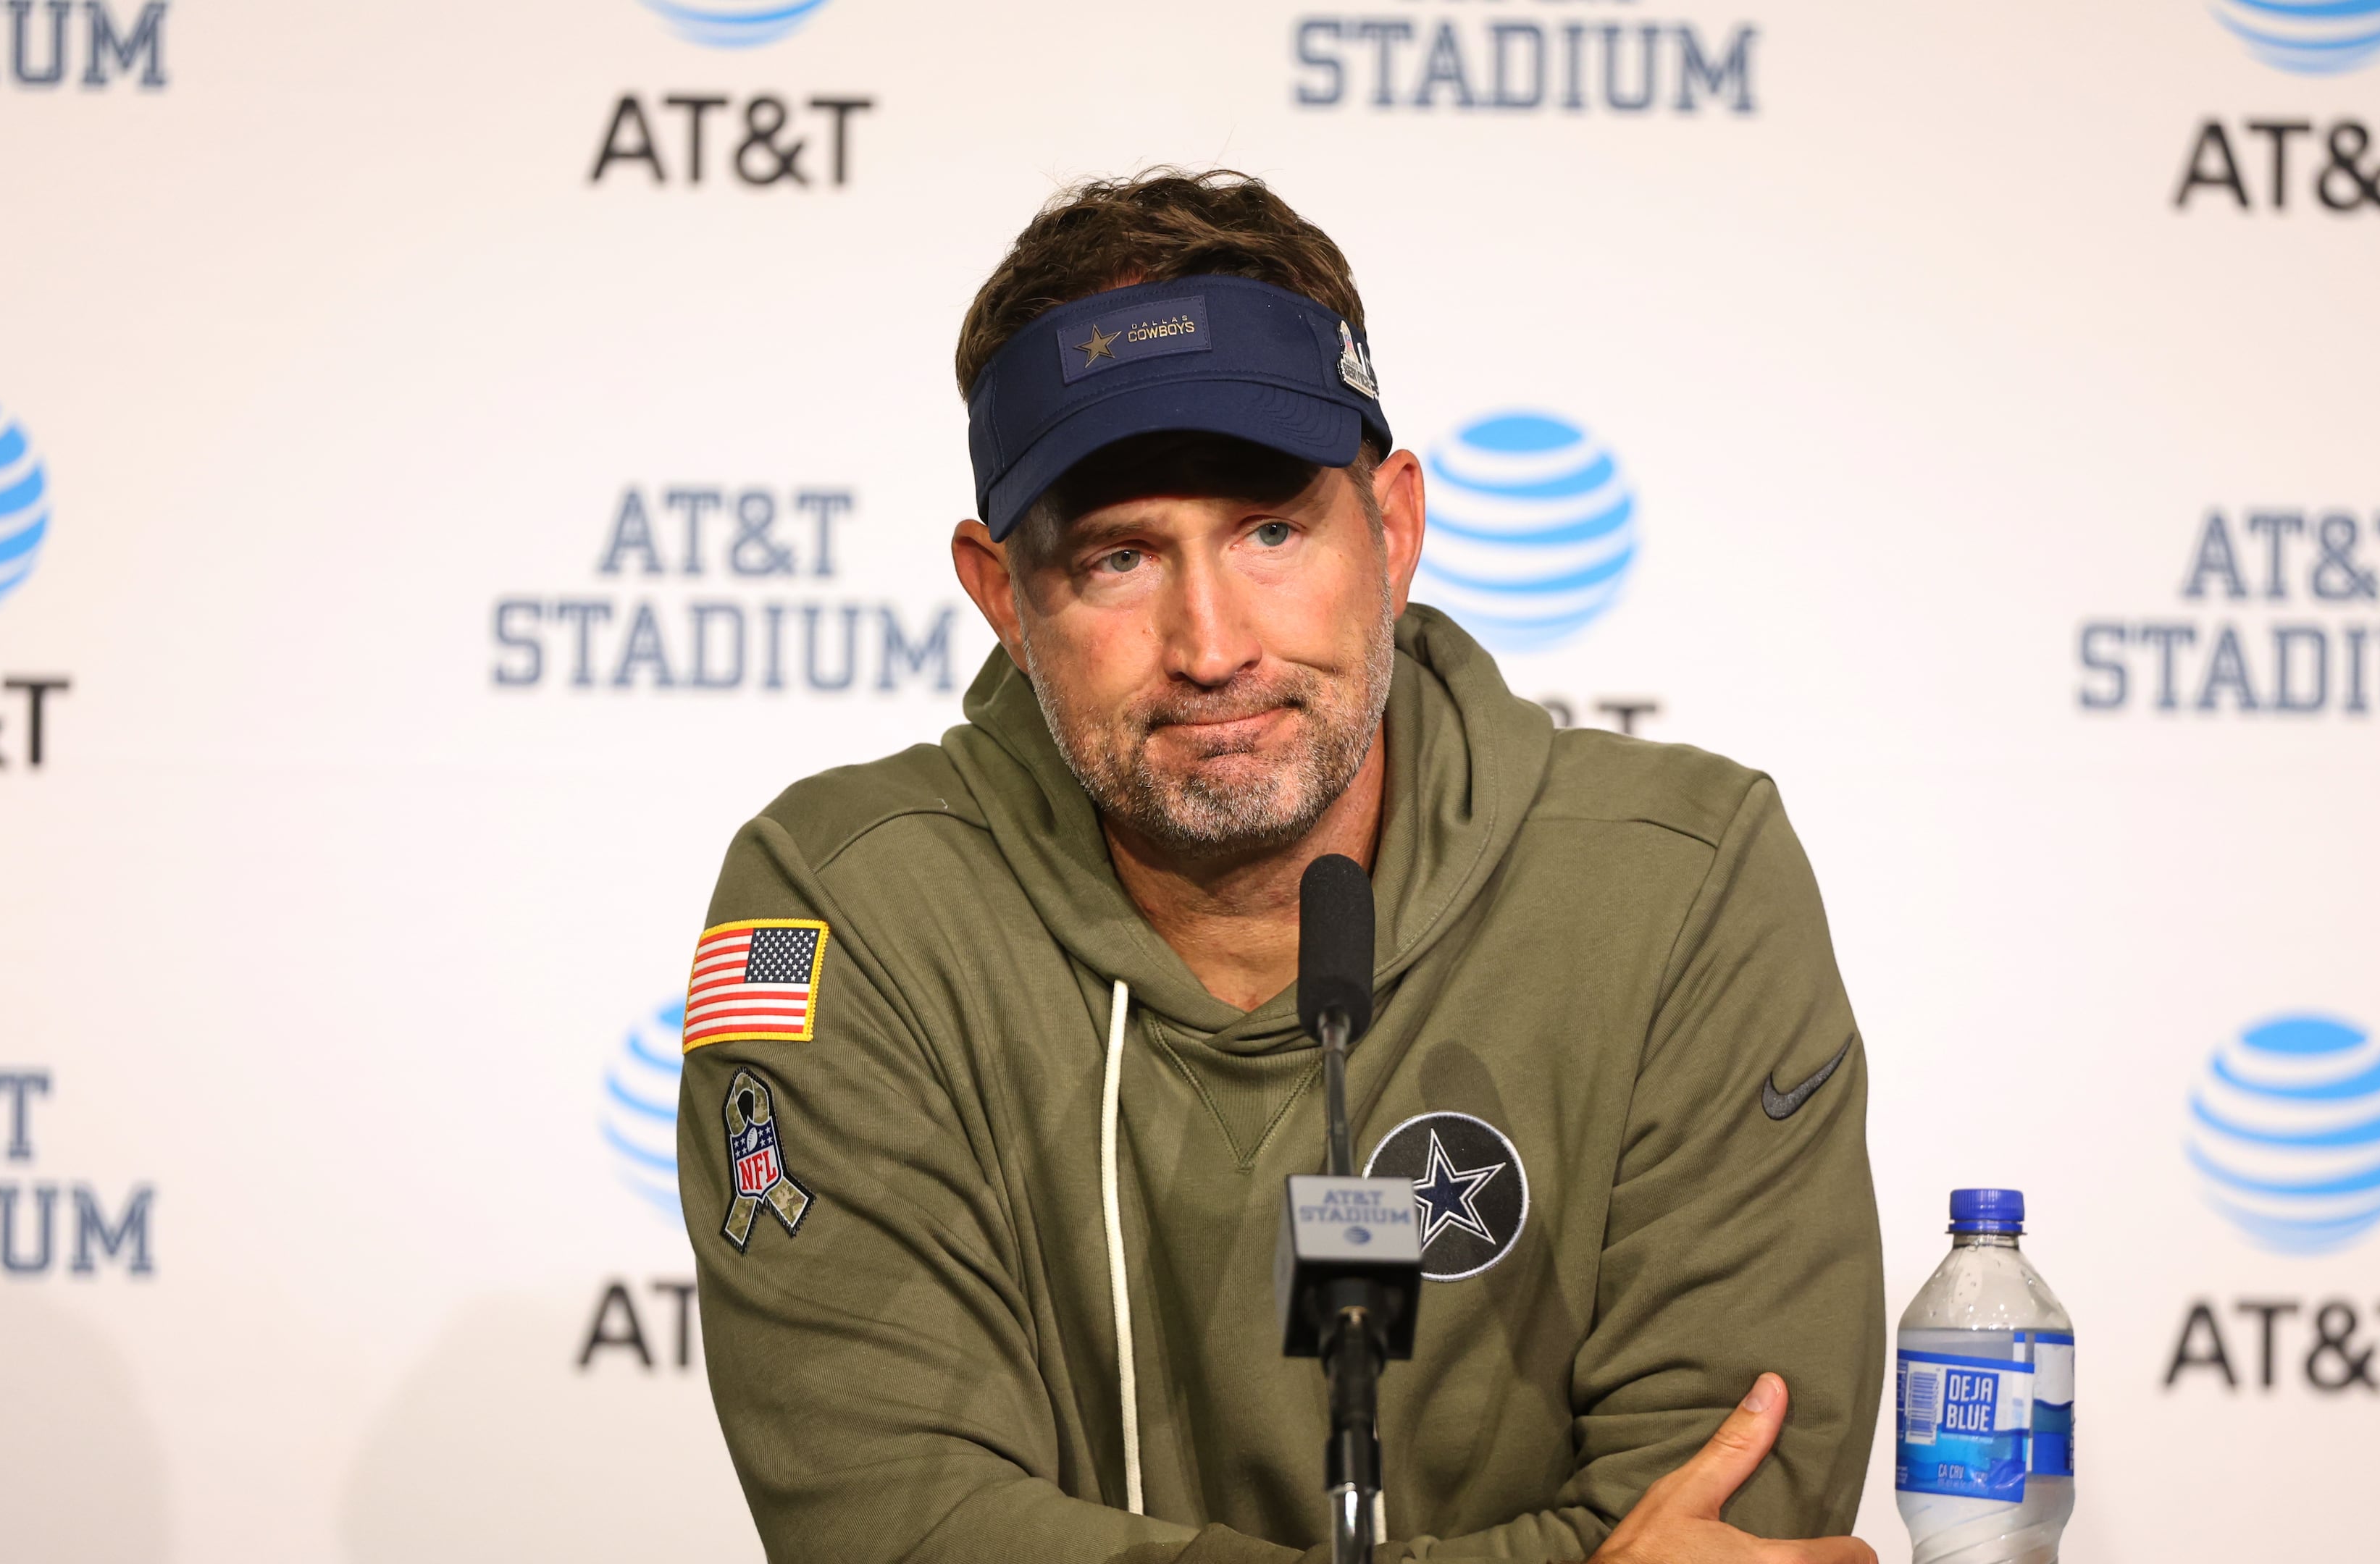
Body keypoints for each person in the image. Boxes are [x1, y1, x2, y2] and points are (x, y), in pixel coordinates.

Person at [676, 169, 1883, 1564]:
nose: (1211, 645)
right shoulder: (844, 903)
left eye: (1268, 533)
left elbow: (1740, 1520)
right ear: (1003, 595)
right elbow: (892, 1527)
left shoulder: (1682, 882)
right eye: (1121, 559)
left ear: (1395, 529)